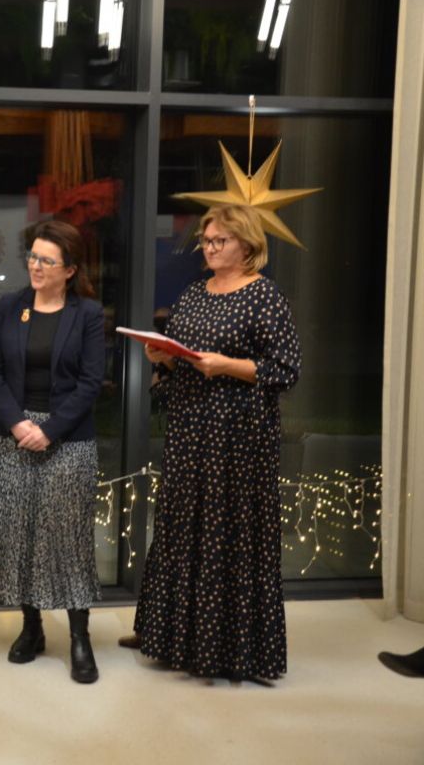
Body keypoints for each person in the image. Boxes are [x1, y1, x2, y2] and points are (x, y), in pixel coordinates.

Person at [121, 203, 301, 684]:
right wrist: (162, 357)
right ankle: (168, 633)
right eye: (206, 240)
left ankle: (225, 647)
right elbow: (181, 361)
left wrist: (227, 366)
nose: (210, 248)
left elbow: (285, 369)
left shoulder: (263, 296)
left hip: (239, 437)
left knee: (228, 531)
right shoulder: (195, 293)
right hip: (190, 430)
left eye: (220, 240)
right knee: (181, 526)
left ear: (247, 244)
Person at [0, 220, 105, 684]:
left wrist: (49, 431)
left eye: (46, 260)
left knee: (68, 539)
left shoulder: (87, 314)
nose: (35, 266)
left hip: (66, 438)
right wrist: (17, 422)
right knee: (20, 535)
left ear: (69, 270)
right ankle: (31, 628)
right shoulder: (11, 306)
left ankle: (79, 637)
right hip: (12, 435)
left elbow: (91, 381)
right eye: (32, 256)